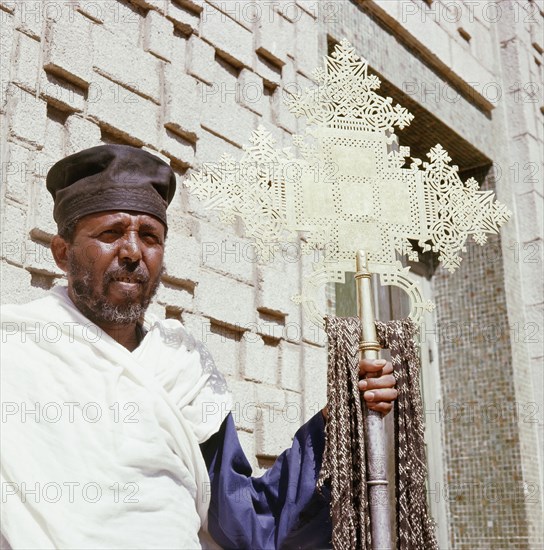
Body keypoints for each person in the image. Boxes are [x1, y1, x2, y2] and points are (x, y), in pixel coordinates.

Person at [0, 145, 397, 549]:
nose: (134, 252)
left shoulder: (182, 367)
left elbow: (249, 524)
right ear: (62, 253)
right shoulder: (15, 353)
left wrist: (342, 419)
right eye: (110, 233)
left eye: (150, 237)